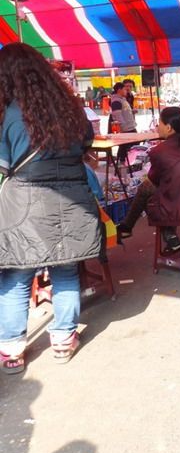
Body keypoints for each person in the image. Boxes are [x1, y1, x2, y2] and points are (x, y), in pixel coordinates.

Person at [0, 43, 101, 373]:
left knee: (16, 276)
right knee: (66, 271)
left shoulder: (8, 114)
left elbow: (3, 166)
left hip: (24, 206)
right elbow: (86, 145)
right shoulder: (71, 109)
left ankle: (12, 349)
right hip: (73, 200)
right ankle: (63, 340)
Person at [117, 107, 180, 251]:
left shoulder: (159, 151)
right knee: (149, 188)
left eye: (160, 123)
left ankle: (128, 226)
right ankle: (168, 235)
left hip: (175, 205)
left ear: (169, 128)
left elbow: (153, 180)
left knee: (145, 190)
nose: (157, 126)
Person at [110, 81, 137, 163]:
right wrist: (124, 127)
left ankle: (125, 161)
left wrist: (131, 111)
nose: (127, 91)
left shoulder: (122, 99)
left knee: (127, 146)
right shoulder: (116, 101)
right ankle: (123, 161)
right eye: (125, 89)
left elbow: (123, 111)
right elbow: (117, 115)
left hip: (129, 126)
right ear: (119, 90)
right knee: (128, 145)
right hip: (126, 128)